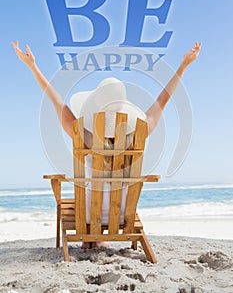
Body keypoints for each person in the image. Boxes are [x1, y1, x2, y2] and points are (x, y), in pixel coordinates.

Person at [12, 40, 202, 248]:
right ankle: (98, 240)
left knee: (87, 196)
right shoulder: (139, 133)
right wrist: (184, 65)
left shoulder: (83, 135)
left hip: (87, 215)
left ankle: (91, 239)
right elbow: (162, 101)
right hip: (122, 214)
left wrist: (32, 66)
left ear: (95, 107)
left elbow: (57, 103)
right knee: (112, 196)